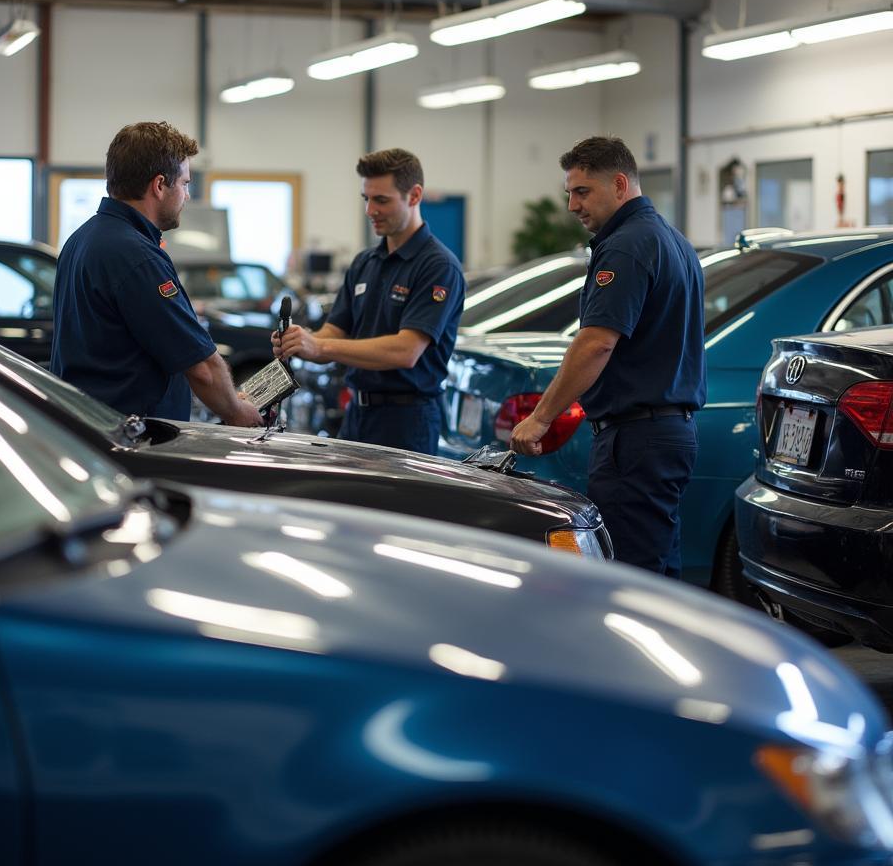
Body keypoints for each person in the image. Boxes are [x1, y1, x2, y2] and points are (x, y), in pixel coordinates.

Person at [509, 136, 705, 576]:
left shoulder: (625, 245)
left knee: (629, 578)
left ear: (619, 184)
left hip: (637, 440)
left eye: (583, 192)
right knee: (656, 570)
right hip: (664, 434)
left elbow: (597, 342)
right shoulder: (671, 240)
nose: (572, 206)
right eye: (569, 193)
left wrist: (541, 416)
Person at [51, 121, 262, 427]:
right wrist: (236, 411)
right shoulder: (136, 256)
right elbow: (201, 368)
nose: (187, 196)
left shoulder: (81, 239)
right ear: (159, 185)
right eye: (185, 184)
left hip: (88, 426)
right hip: (130, 438)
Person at [273, 147, 464, 455]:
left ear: (414, 196)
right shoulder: (366, 262)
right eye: (367, 199)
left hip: (406, 421)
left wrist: (320, 346)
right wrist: (302, 342)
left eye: (382, 200)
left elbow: (406, 350)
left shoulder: (437, 266)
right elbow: (334, 333)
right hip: (358, 414)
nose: (370, 210)